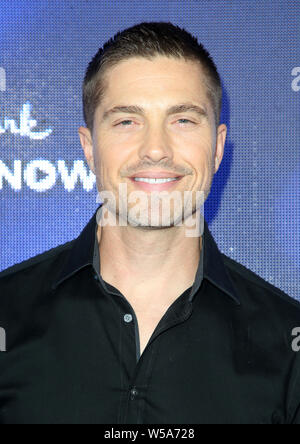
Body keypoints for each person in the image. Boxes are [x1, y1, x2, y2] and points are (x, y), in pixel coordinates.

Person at [0, 22, 299, 425]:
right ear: (89, 148)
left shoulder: (287, 345)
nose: (156, 149)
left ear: (217, 147)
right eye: (127, 121)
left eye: (183, 121)